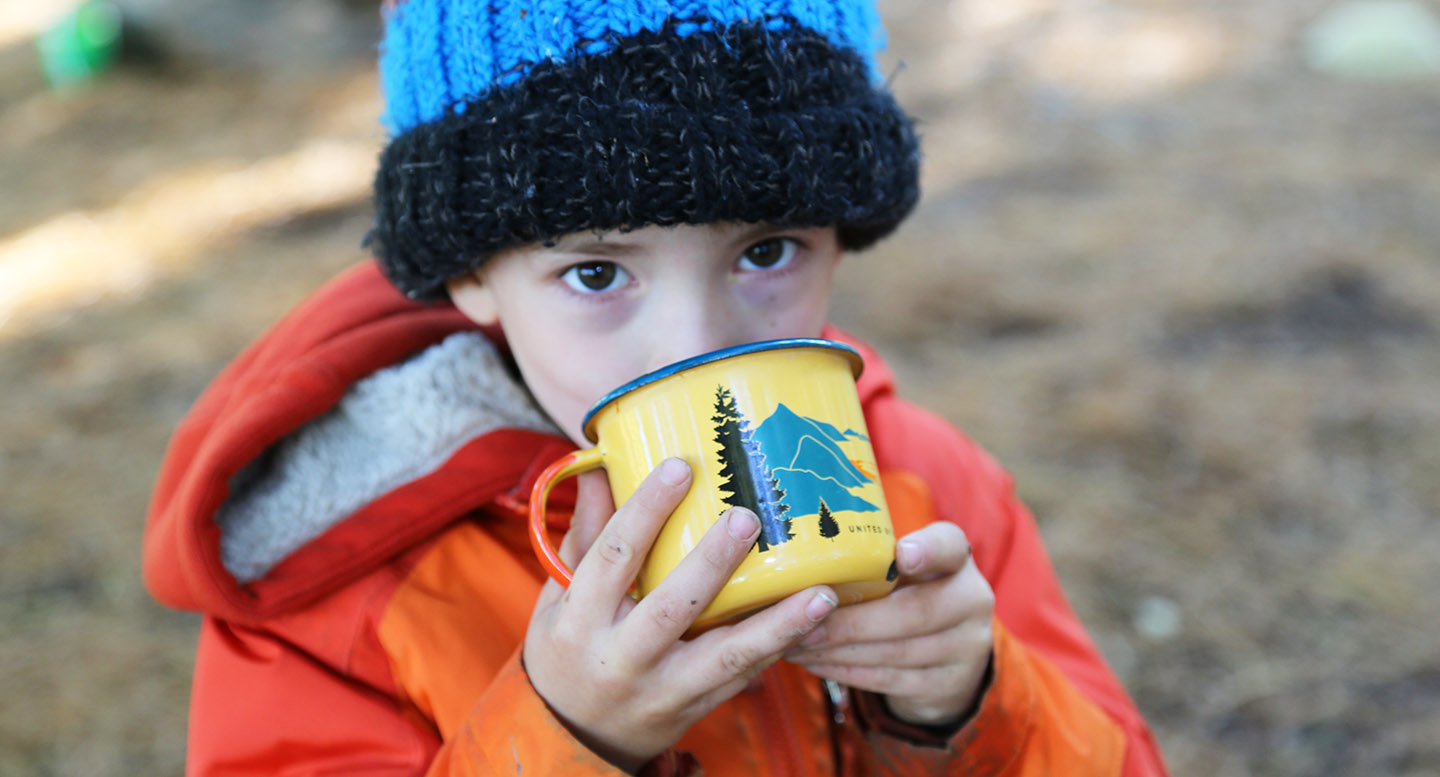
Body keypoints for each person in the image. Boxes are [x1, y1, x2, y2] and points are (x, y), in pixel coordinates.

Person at [142, 1, 1170, 774]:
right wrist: (565, 737)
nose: (698, 345)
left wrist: (969, 705)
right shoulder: (338, 584)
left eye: (767, 251)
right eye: (597, 272)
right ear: (469, 277)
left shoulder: (928, 490)